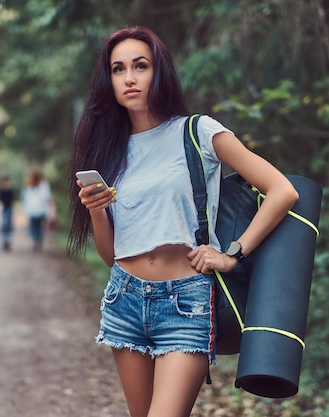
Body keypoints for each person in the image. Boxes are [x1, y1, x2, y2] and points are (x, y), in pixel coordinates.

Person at [67, 26, 299, 417]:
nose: (129, 78)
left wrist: (231, 255)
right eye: (118, 69)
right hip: (124, 298)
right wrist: (95, 210)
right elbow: (112, 256)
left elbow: (283, 191)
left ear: (159, 71)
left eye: (140, 66)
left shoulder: (198, 132)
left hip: (186, 303)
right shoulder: (109, 150)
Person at [21, 169, 54, 252]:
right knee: (37, 227)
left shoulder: (37, 186)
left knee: (37, 227)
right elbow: (47, 198)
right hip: (36, 210)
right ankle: (37, 242)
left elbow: (26, 199)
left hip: (37, 210)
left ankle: (37, 241)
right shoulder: (37, 186)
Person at [0, 175, 15, 252]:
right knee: (4, 225)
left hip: (9, 209)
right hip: (4, 209)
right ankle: (4, 241)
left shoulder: (11, 190)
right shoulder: (0, 191)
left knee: (9, 225)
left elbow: (12, 200)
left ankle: (8, 240)